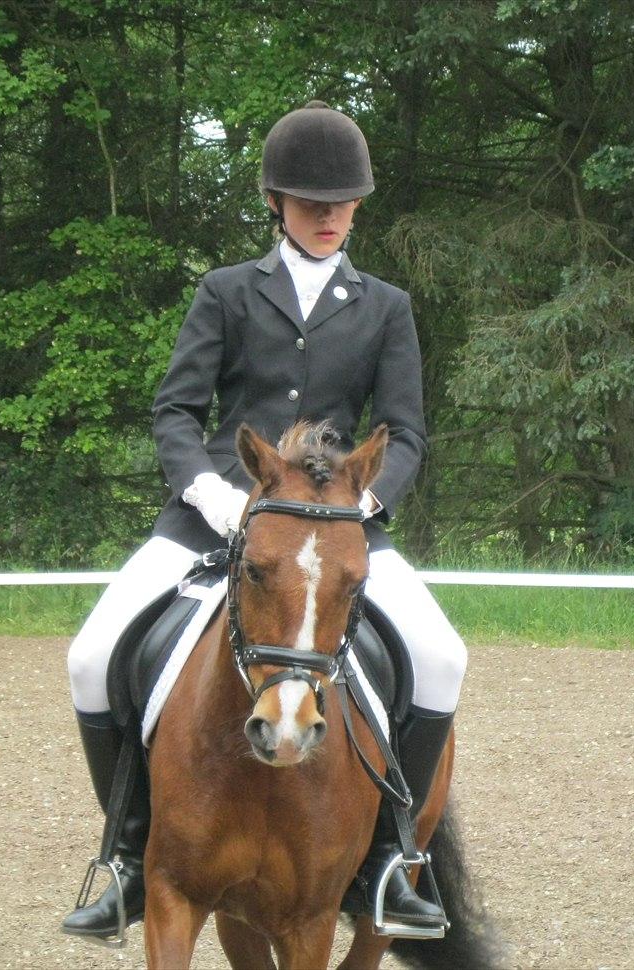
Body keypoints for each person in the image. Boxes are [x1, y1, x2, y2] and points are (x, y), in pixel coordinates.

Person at [62, 101, 468, 941]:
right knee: (89, 654)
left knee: (440, 656)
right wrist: (212, 492)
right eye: (309, 202)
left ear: (358, 205)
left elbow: (408, 429)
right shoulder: (226, 291)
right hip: (215, 516)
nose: (328, 217)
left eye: (342, 202)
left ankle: (393, 860)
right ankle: (132, 857)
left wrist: (363, 502)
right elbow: (176, 411)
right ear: (276, 204)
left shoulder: (385, 306)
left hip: (338, 527)